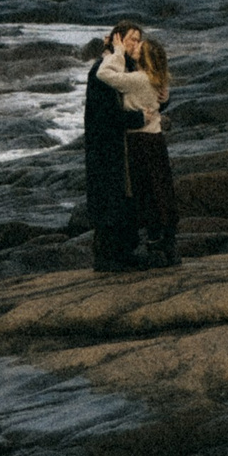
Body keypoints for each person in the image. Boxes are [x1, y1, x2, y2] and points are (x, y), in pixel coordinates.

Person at [83, 21, 151, 271]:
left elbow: (145, 94)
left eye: (138, 39)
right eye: (131, 39)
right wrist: (138, 118)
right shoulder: (103, 69)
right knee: (111, 196)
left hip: (121, 142)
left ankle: (125, 251)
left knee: (125, 196)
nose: (136, 44)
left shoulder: (128, 67)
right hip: (106, 145)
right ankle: (109, 256)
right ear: (117, 40)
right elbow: (106, 114)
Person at [121, 34, 178, 267]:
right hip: (155, 139)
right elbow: (160, 101)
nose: (135, 46)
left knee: (146, 190)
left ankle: (155, 242)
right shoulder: (156, 77)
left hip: (139, 140)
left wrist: (112, 53)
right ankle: (166, 242)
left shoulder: (136, 78)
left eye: (138, 45)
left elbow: (106, 77)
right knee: (160, 188)